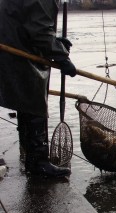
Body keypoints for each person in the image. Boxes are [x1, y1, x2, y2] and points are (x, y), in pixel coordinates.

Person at [0, 0, 77, 178]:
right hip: (16, 52)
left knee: (27, 102)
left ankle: (32, 158)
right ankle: (38, 163)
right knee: (34, 101)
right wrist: (62, 58)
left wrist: (55, 42)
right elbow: (40, 31)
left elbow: (28, 22)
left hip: (13, 45)